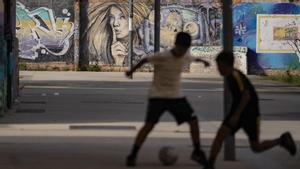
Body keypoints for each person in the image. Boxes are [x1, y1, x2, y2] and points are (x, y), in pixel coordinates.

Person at [125, 32, 210, 167]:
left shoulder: (186, 56)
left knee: (193, 122)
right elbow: (144, 60)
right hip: (158, 96)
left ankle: (197, 151)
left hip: (176, 97)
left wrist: (204, 61)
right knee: (149, 125)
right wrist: (131, 71)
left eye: (185, 49)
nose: (182, 52)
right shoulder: (163, 56)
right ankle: (133, 154)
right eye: (180, 49)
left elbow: (194, 58)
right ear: (175, 45)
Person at [204, 51, 297, 169]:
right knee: (220, 135)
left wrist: (236, 116)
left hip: (250, 114)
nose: (218, 69)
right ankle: (210, 164)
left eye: (220, 66)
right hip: (238, 112)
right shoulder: (229, 76)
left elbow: (246, 94)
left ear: (226, 64)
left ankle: (281, 140)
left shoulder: (235, 75)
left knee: (256, 147)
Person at [84, 0, 150, 66]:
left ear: (134, 19)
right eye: (112, 17)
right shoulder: (102, 50)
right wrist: (118, 61)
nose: (115, 23)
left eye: (122, 17)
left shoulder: (147, 47)